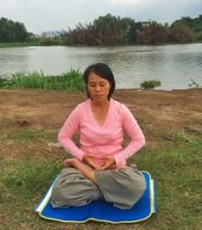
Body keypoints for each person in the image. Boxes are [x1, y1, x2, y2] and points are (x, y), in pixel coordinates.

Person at [51, 63, 146, 210]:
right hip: (85, 166)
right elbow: (63, 137)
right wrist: (82, 158)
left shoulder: (120, 110)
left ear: (110, 84)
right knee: (60, 192)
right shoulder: (80, 110)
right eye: (92, 84)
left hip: (114, 168)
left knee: (137, 185)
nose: (97, 90)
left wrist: (116, 159)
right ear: (87, 86)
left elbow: (139, 139)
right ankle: (113, 191)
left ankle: (94, 188)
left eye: (102, 84)